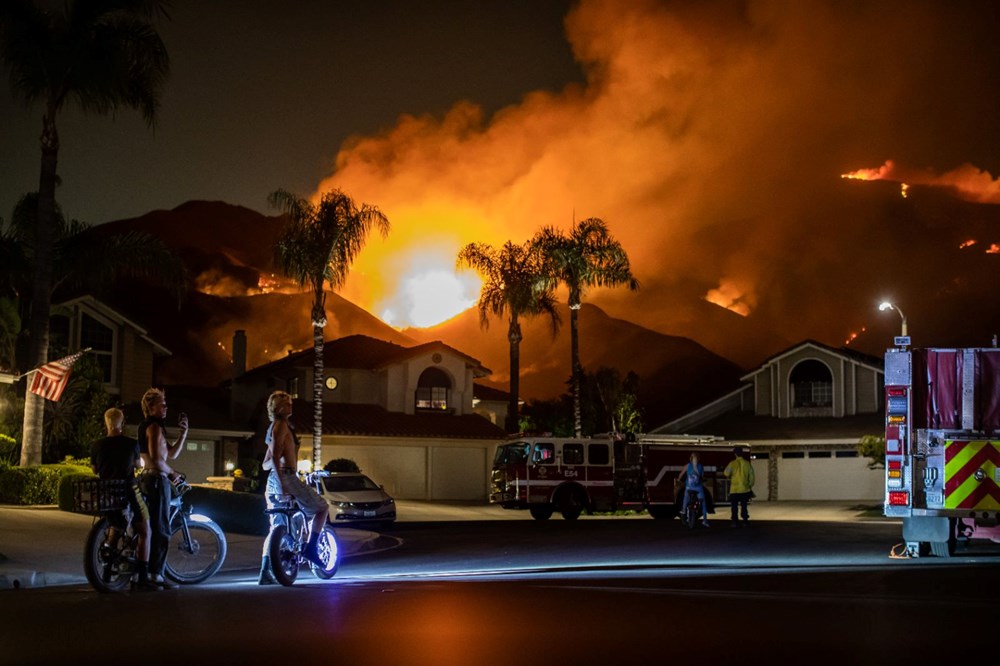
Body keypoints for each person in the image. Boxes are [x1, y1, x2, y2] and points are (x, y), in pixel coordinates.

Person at [260, 390, 329, 581]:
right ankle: (311, 549)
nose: (291, 405)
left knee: (276, 527)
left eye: (291, 402)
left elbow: (266, 463)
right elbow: (273, 457)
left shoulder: (273, 428)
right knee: (322, 508)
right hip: (287, 478)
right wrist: (283, 480)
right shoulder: (281, 426)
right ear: (277, 408)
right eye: (286, 403)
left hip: (273, 480)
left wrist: (278, 464)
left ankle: (265, 571)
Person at [90, 407, 156, 591]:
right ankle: (142, 578)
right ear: (122, 423)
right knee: (145, 529)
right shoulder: (131, 444)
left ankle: (108, 561)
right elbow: (137, 464)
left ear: (106, 423)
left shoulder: (97, 445)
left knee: (115, 523)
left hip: (107, 493)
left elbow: (95, 470)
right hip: (128, 490)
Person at [137, 388, 189, 589]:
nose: (166, 407)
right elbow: (158, 461)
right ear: (151, 407)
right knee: (162, 528)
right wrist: (173, 474)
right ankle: (156, 574)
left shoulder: (151, 427)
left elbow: (171, 454)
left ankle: (147, 571)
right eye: (162, 404)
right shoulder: (154, 428)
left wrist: (183, 434)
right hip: (157, 481)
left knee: (150, 527)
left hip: (147, 480)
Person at [724, 446, 755, 526]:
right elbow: (752, 477)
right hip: (744, 489)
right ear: (742, 453)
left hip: (734, 490)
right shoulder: (747, 464)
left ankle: (735, 521)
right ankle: (745, 521)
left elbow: (726, 473)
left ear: (735, 454)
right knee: (744, 506)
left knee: (734, 507)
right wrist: (749, 485)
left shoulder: (732, 464)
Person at [677, 452, 709, 527]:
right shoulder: (701, 466)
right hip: (698, 488)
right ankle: (704, 520)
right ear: (699, 459)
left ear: (690, 459)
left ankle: (684, 510)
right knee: (703, 503)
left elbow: (680, 475)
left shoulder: (687, 466)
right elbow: (702, 477)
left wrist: (679, 480)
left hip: (689, 487)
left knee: (685, 499)